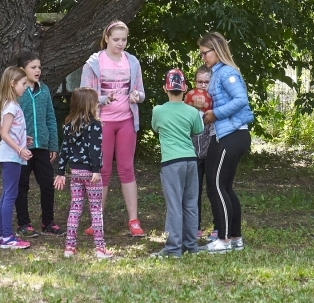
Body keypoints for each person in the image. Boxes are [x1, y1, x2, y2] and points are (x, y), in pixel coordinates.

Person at [80, 20, 146, 237]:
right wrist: (101, 99)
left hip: (126, 120)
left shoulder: (132, 62)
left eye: (124, 40)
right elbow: (83, 95)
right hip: (102, 122)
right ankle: (96, 220)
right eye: (116, 39)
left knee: (127, 168)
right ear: (106, 38)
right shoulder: (93, 63)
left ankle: (134, 221)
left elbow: (140, 92)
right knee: (102, 171)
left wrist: (137, 96)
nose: (120, 44)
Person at [198, 32, 253, 253]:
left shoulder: (227, 72)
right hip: (228, 134)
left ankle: (224, 239)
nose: (203, 57)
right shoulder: (217, 72)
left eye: (205, 53)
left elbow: (241, 100)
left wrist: (215, 114)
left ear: (216, 50)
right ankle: (235, 238)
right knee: (225, 187)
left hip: (231, 135)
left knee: (215, 186)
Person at [53, 87, 114, 259]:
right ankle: (100, 248)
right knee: (96, 210)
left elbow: (64, 149)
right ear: (90, 105)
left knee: (75, 208)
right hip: (91, 173)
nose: (97, 104)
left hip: (75, 172)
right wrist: (96, 170)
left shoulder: (69, 126)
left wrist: (61, 171)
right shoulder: (94, 125)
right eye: (95, 102)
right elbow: (94, 149)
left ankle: (69, 248)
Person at [150, 69, 204, 258]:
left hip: (171, 162)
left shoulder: (158, 110)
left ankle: (173, 249)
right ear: (185, 88)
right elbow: (198, 131)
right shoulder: (192, 111)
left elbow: (155, 127)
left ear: (166, 88)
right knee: (190, 204)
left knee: (174, 205)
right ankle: (191, 245)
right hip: (191, 160)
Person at [14, 51, 61, 238]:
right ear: (21, 70)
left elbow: (51, 117)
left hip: (42, 146)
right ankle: (24, 223)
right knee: (21, 185)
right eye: (33, 67)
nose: (38, 70)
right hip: (22, 148)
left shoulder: (45, 90)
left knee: (48, 184)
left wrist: (53, 145)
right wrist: (18, 142)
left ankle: (48, 222)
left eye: (39, 67)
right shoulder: (17, 91)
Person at [0, 66, 33, 249]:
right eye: (23, 83)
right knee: (10, 195)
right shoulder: (10, 105)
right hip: (11, 156)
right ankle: (7, 237)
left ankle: (2, 236)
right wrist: (20, 148)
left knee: (6, 195)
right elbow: (3, 133)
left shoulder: (7, 104)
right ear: (13, 83)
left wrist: (22, 138)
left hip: (10, 155)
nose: (25, 87)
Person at [183, 65, 215, 239]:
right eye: (199, 81)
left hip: (211, 152)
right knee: (194, 191)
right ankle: (195, 227)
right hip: (193, 153)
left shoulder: (215, 101)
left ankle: (218, 226)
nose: (202, 85)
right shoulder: (187, 101)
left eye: (206, 82)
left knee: (213, 189)